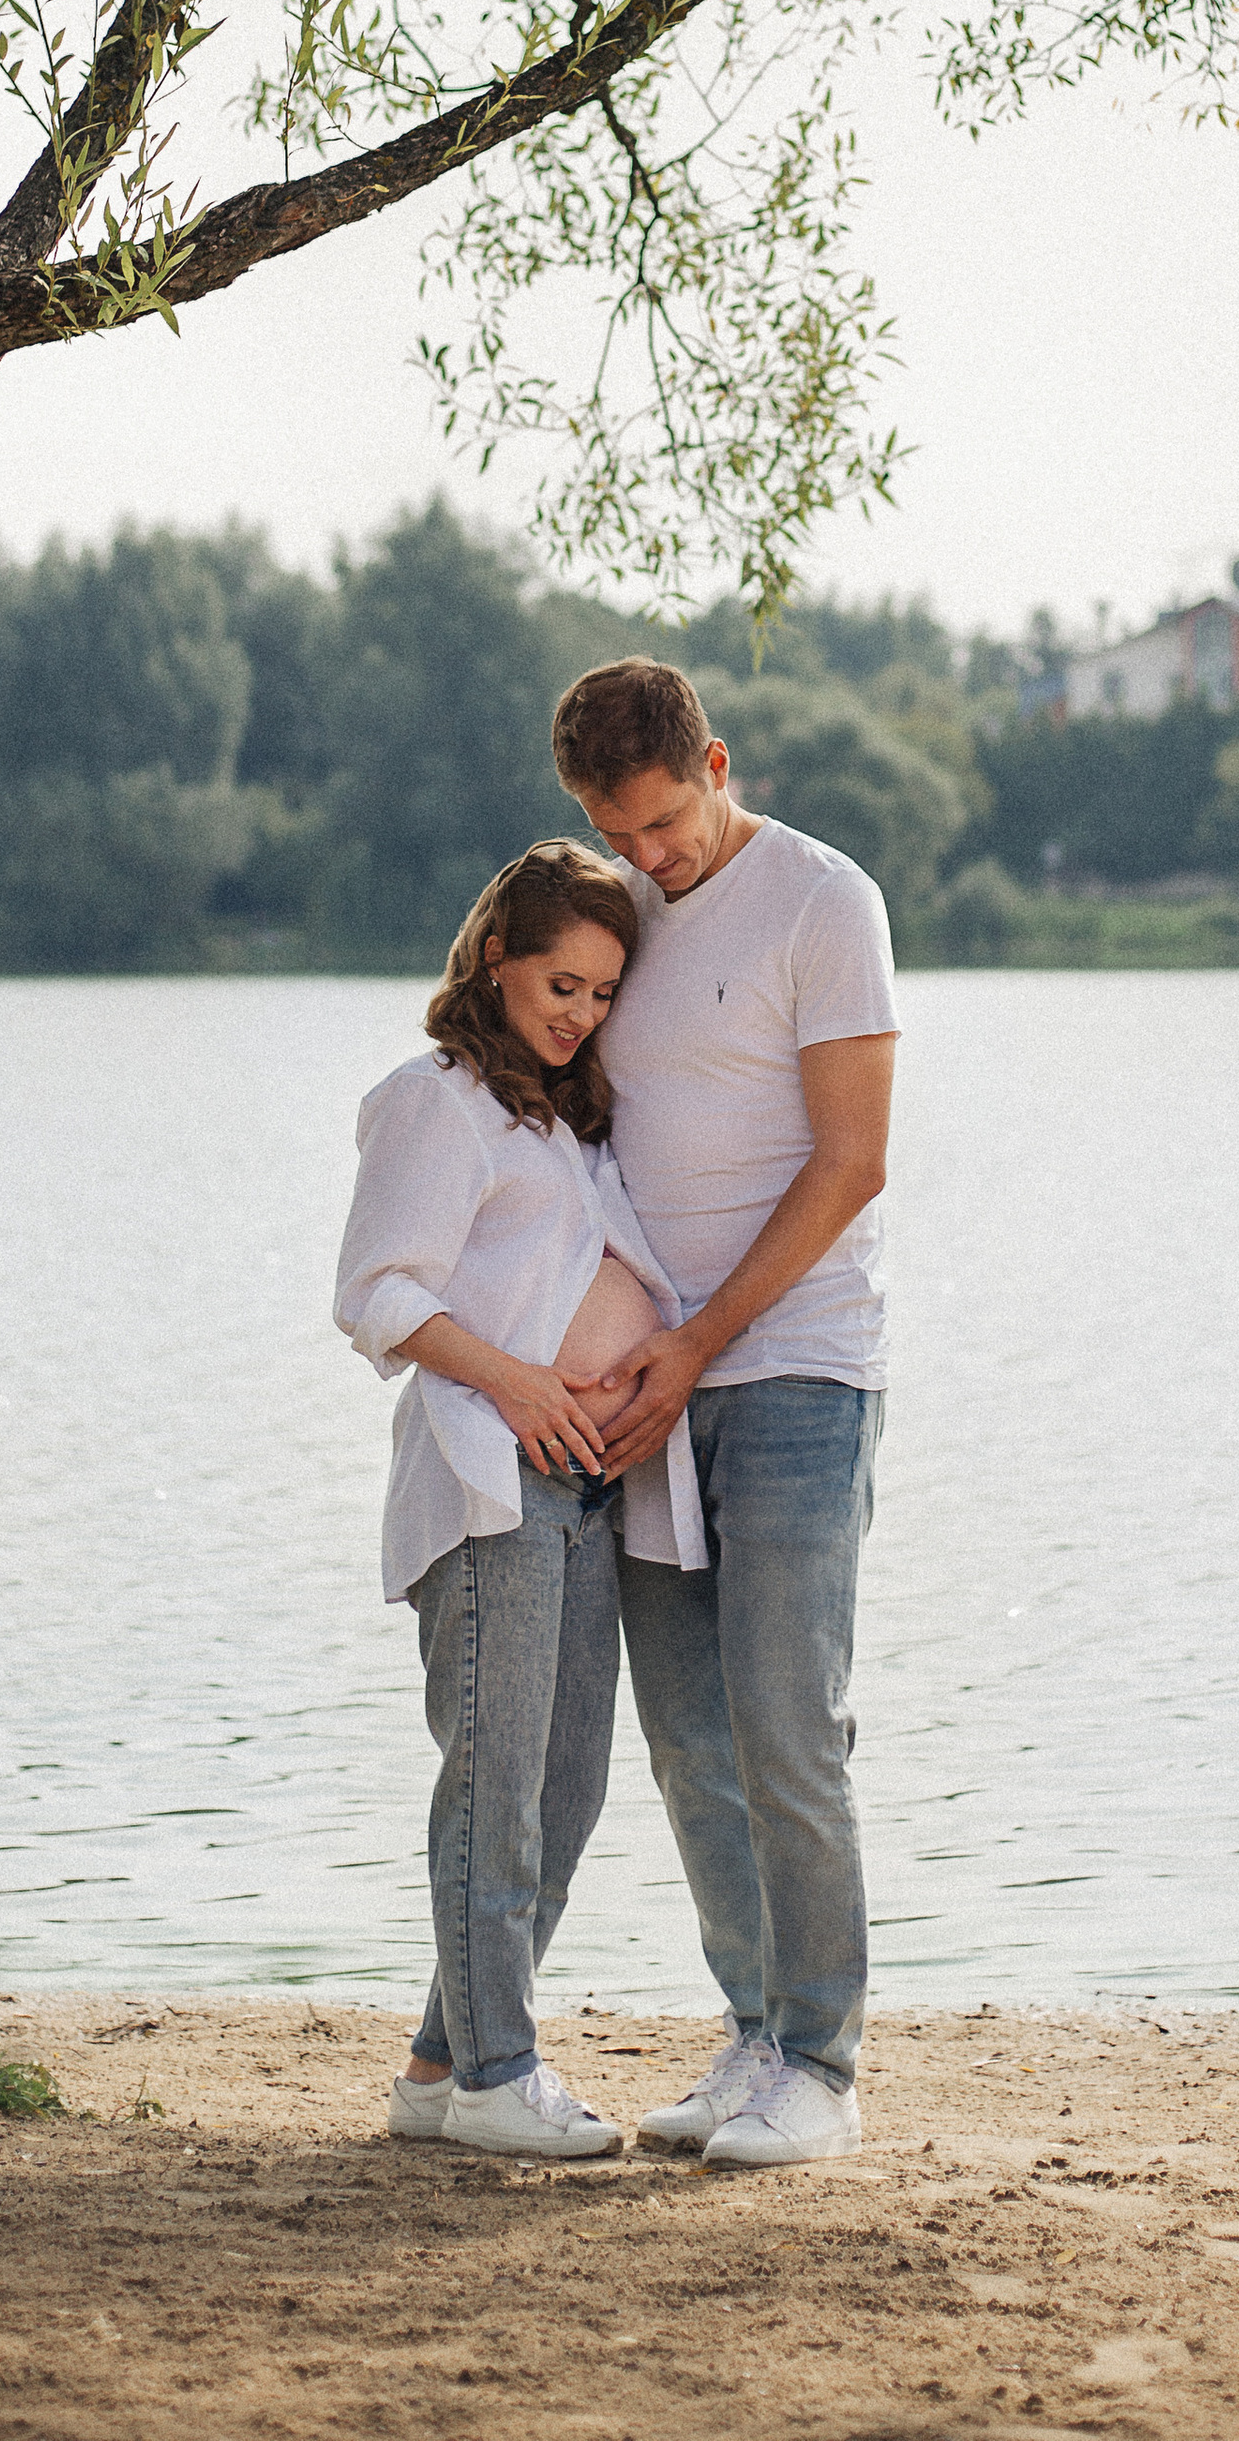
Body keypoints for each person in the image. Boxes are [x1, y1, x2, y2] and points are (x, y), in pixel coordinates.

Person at [551, 657, 898, 2171]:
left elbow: (852, 1163)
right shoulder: (625, 916)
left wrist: (697, 1347)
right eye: (615, 834)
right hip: (654, 1383)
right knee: (689, 1736)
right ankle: (755, 2032)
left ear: (716, 760)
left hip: (793, 1368)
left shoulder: (828, 904)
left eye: (663, 823)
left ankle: (820, 2059)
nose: (646, 858)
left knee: (783, 1720)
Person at [334, 838, 706, 2161]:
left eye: (603, 994)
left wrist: (604, 1405)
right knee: (495, 1784)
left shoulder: (555, 1113)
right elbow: (380, 1291)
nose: (581, 1014)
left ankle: (443, 2070)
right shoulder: (433, 1102)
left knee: (565, 1788)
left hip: (582, 1489)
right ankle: (500, 2072)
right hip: (491, 1485)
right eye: (562, 985)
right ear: (496, 958)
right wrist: (528, 1391)